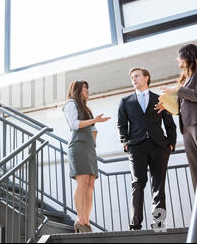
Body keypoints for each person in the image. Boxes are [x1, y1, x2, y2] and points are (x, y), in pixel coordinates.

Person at [157, 44, 197, 225]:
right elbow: (182, 102)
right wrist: (166, 104)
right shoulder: (185, 78)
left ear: (188, 56)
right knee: (196, 171)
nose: (177, 60)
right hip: (187, 127)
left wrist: (178, 90)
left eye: (179, 57)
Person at [117, 67, 176, 230]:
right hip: (136, 147)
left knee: (158, 185)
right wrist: (125, 142)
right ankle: (135, 224)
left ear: (146, 77)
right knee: (138, 183)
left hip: (159, 146)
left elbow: (169, 123)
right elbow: (121, 124)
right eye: (132, 78)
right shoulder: (125, 101)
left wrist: (171, 143)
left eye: (136, 76)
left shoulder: (160, 99)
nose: (133, 79)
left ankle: (159, 223)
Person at [63, 80, 110, 233]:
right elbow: (74, 125)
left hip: (89, 148)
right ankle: (80, 220)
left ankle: (86, 222)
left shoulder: (86, 109)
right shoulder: (71, 104)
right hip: (77, 146)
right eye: (84, 89)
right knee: (82, 181)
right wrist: (94, 120)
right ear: (77, 90)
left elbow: (93, 129)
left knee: (90, 183)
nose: (87, 91)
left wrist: (93, 140)